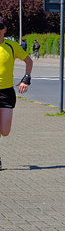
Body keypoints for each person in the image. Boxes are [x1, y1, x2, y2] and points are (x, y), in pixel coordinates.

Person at [0, 17, 33, 170]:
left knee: (5, 131)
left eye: (0, 27)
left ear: (4, 29)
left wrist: (26, 79)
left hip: (6, 92)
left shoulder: (12, 46)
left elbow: (28, 61)